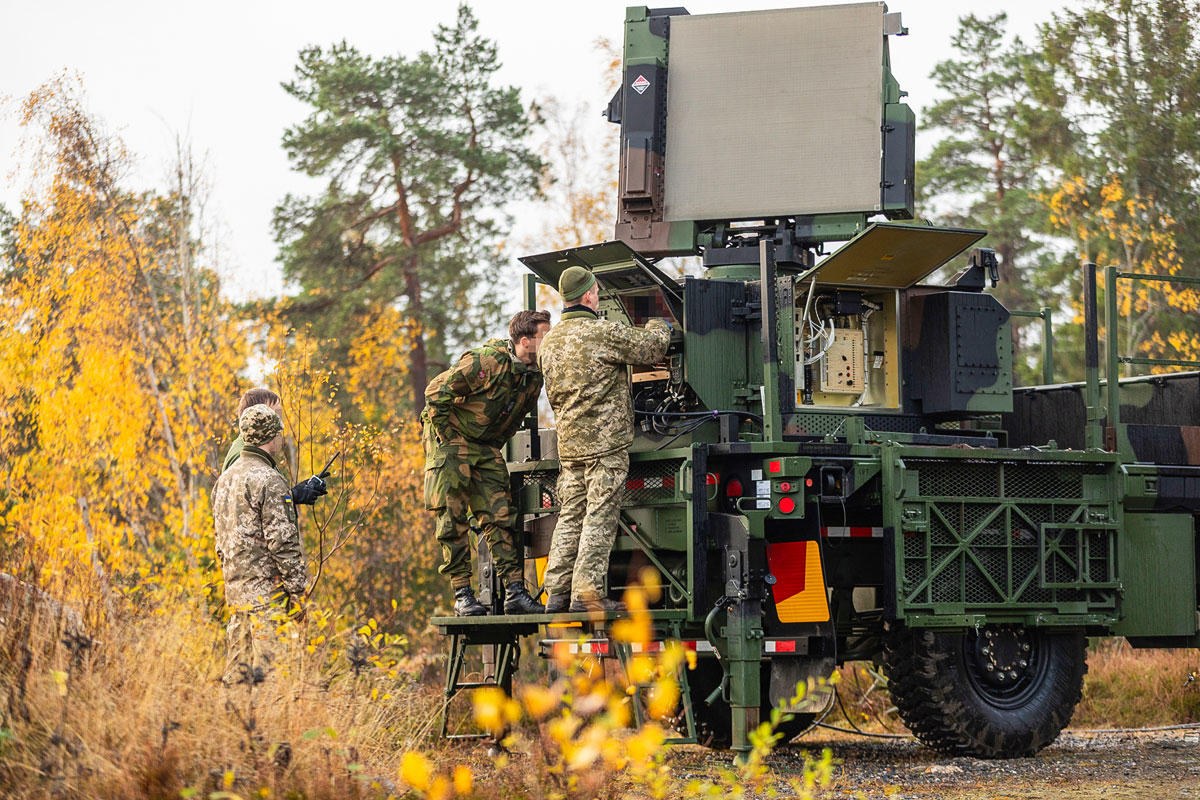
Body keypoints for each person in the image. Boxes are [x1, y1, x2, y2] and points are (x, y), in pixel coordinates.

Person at [538, 266, 671, 613]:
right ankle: (587, 595)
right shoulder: (600, 333)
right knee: (599, 516)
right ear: (588, 296)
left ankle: (556, 593)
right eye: (596, 292)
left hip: (569, 446)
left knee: (570, 516)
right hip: (605, 445)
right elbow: (651, 348)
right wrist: (660, 322)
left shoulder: (549, 342)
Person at [422, 310, 552, 616]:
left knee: (502, 516)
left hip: (485, 446)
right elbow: (435, 392)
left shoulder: (534, 377)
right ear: (525, 341)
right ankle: (462, 594)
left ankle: (516, 592)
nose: (549, 341)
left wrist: (491, 444)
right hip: (452, 441)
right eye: (543, 336)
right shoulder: (487, 361)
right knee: (451, 516)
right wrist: (447, 439)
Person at [212, 404, 310, 682]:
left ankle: (229, 725)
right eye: (279, 433)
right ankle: (268, 726)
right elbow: (283, 543)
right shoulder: (269, 480)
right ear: (273, 437)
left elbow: (220, 542)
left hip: (235, 595)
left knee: (236, 677)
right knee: (271, 677)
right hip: (266, 598)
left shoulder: (224, 480)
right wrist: (297, 591)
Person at [223, 388, 326, 506]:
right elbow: (245, 506)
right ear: (256, 415)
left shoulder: (257, 451)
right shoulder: (242, 454)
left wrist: (295, 493)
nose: (278, 422)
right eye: (274, 415)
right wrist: (293, 495)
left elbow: (263, 498)